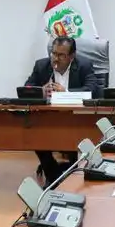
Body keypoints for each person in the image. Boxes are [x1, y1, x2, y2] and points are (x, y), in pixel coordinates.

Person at [25, 37, 100, 186]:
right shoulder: (42, 66)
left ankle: (73, 176)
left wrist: (65, 92)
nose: (55, 59)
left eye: (61, 55)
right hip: (48, 118)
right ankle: (53, 176)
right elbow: (27, 88)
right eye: (53, 53)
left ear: (72, 56)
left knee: (74, 137)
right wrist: (41, 91)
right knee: (35, 135)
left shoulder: (84, 66)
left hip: (77, 119)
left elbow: (92, 90)